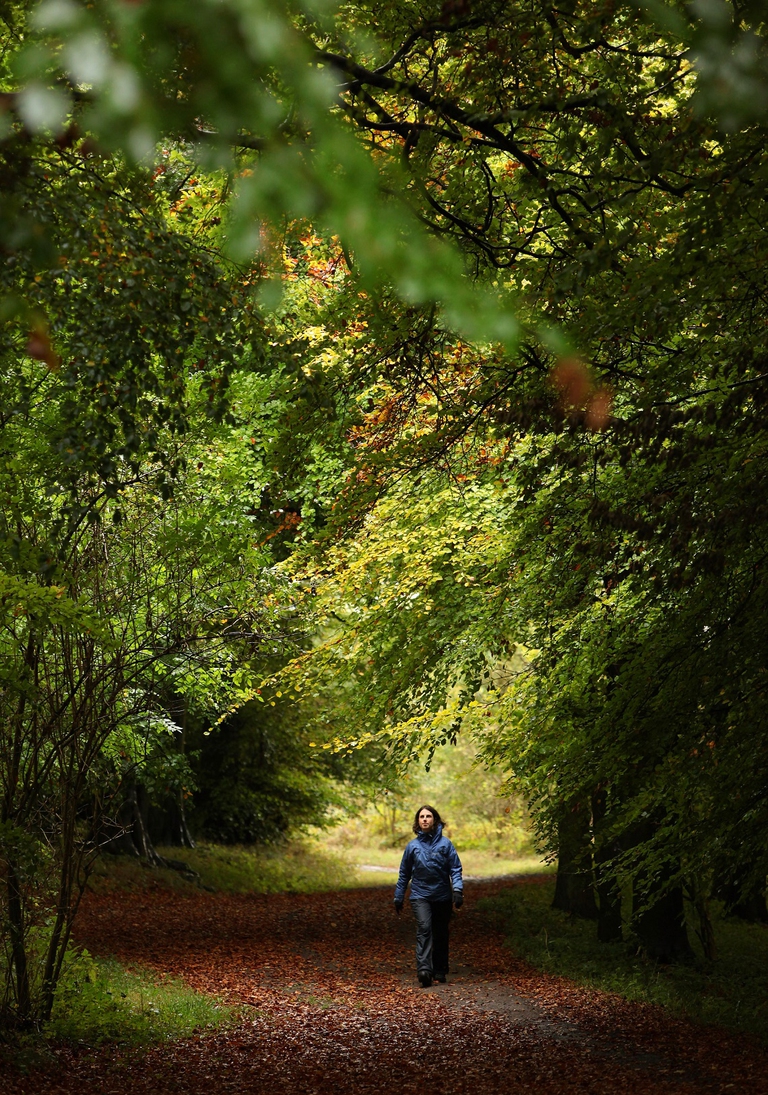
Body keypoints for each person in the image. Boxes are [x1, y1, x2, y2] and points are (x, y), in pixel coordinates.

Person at [394, 804, 464, 988]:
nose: (425, 819)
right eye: (421, 817)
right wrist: (398, 896)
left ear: (435, 820)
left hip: (442, 895)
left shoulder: (446, 844)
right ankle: (424, 970)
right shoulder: (412, 847)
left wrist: (457, 890)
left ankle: (440, 970)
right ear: (418, 822)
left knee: (440, 933)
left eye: (428, 816)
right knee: (424, 928)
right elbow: (404, 873)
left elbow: (455, 868)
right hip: (420, 895)